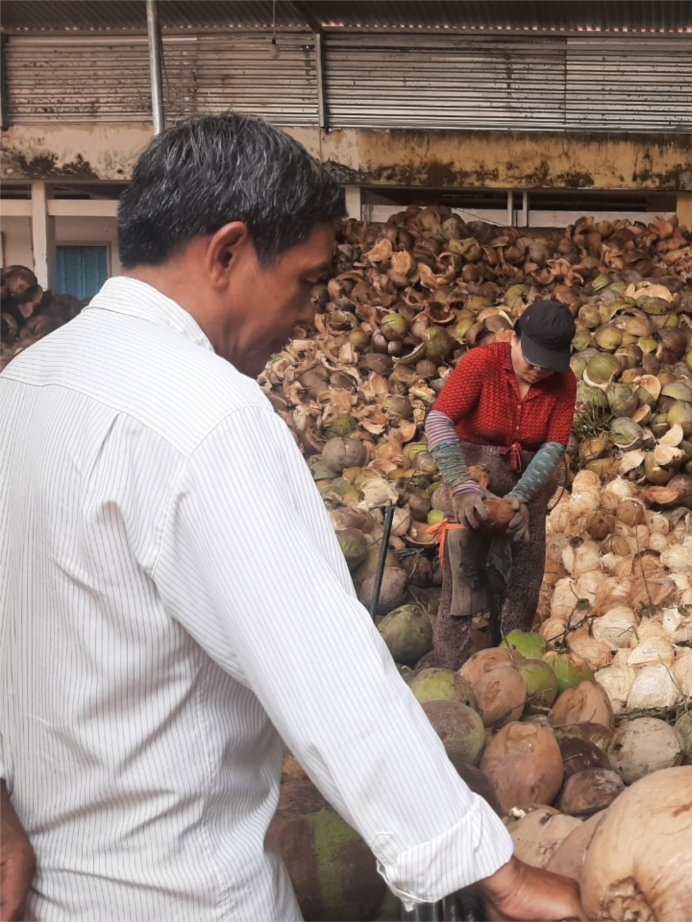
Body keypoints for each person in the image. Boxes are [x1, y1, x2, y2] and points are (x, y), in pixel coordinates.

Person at [0, 114, 583, 921]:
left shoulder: (24, 384)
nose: (310, 314)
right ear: (228, 252)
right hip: (183, 898)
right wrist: (491, 869)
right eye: (308, 282)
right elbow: (330, 674)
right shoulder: (212, 415)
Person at [425, 300, 577, 669]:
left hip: (529, 485)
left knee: (524, 580)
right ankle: (451, 664)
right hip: (475, 476)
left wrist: (522, 498)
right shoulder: (482, 363)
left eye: (549, 364)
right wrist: (461, 484)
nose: (540, 370)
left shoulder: (564, 383)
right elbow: (439, 420)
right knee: (464, 577)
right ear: (513, 339)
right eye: (533, 359)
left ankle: (512, 663)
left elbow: (553, 445)